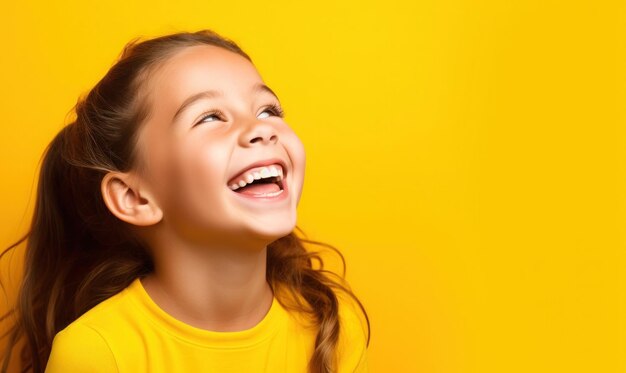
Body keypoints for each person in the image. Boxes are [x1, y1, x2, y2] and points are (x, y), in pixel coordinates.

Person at [0, 29, 370, 373]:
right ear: (134, 197)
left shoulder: (331, 325)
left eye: (267, 110)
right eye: (210, 117)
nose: (261, 129)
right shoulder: (96, 352)